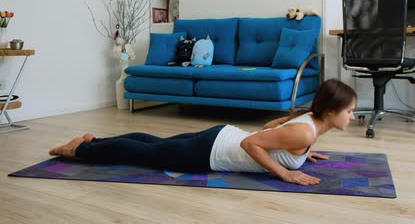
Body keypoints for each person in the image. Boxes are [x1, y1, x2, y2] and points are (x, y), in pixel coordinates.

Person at [49, 79, 357, 186]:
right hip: (211, 153)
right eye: (349, 111)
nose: (353, 116)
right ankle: (79, 150)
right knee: (145, 153)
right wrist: (285, 173)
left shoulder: (309, 125)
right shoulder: (304, 132)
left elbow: (270, 129)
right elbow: (253, 142)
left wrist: (302, 154)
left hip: (220, 136)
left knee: (155, 145)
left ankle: (93, 141)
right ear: (331, 112)